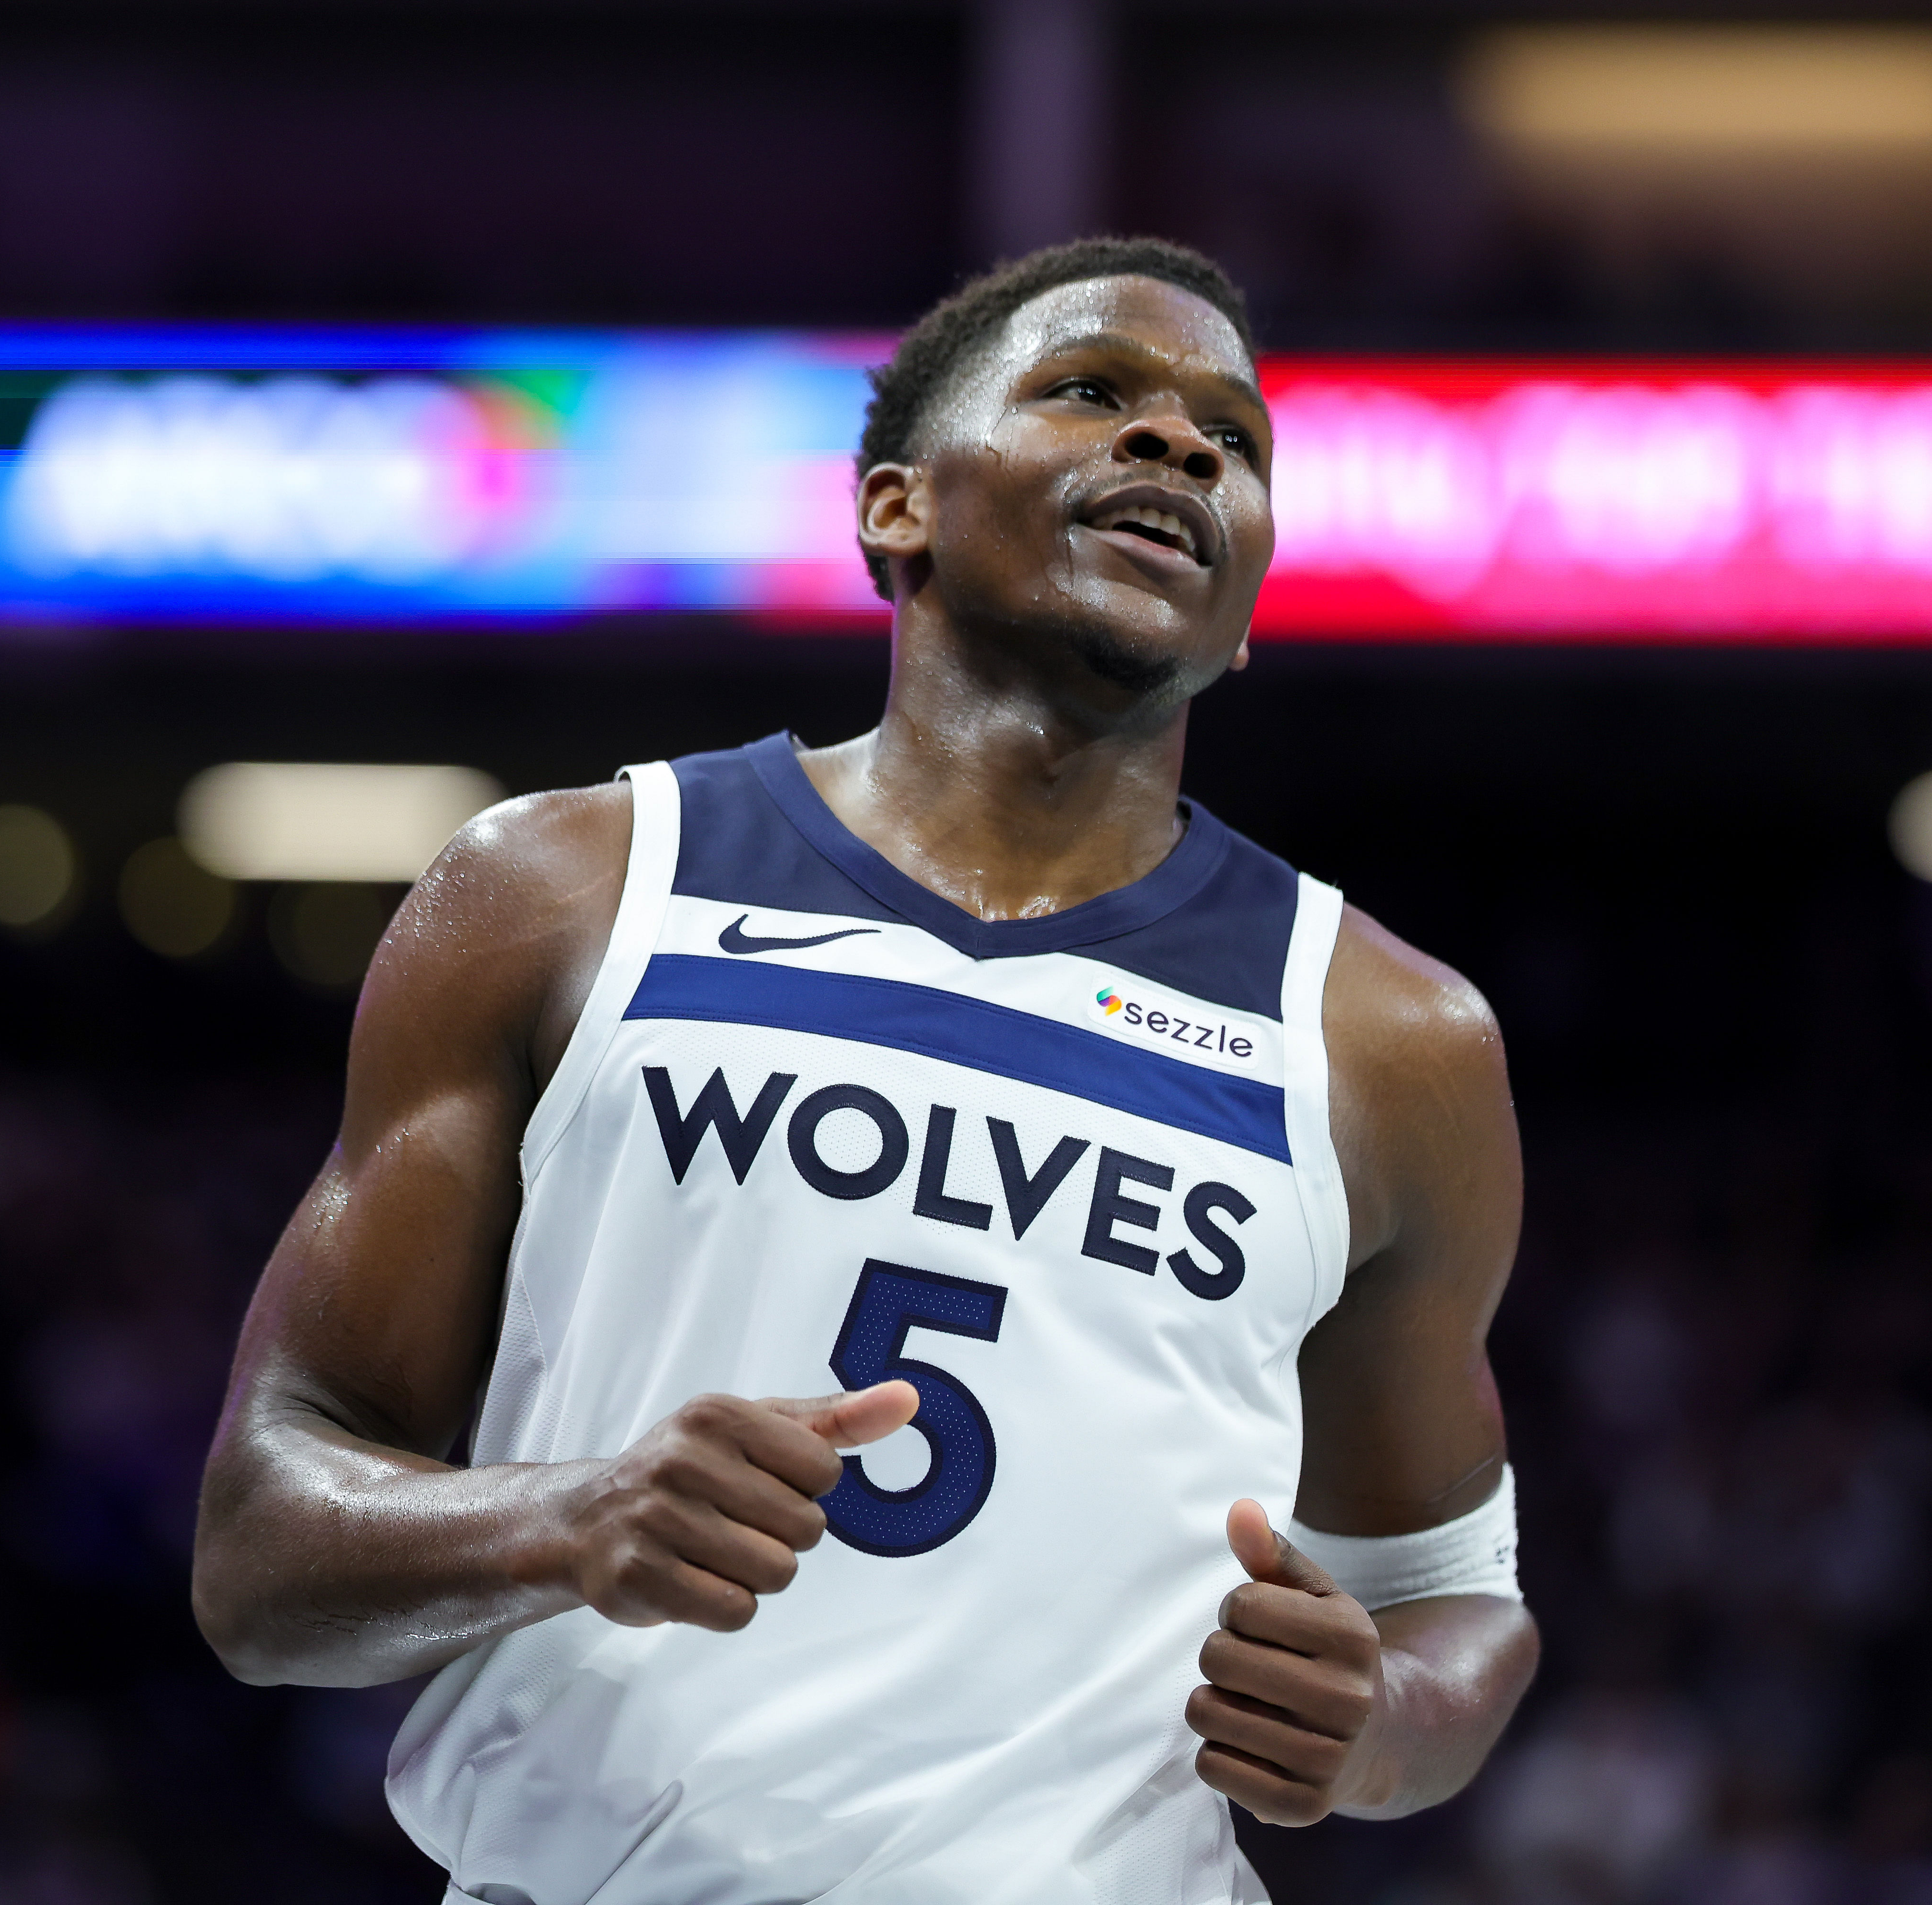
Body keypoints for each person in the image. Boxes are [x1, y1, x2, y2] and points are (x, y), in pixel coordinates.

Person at [191, 236, 1539, 1903]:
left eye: (1232, 440)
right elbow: (261, 1549)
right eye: (1094, 393)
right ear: (896, 509)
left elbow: (1458, 1596)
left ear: (1246, 609)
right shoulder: (567, 889)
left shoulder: (1390, 1038)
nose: (1182, 446)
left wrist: (1384, 1720)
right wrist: (569, 1515)